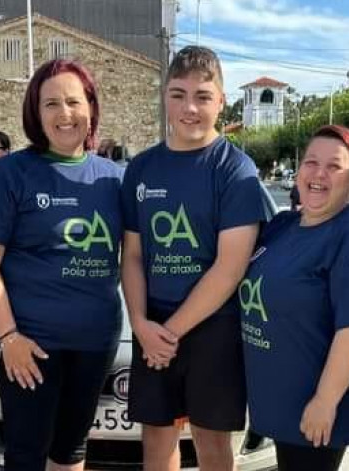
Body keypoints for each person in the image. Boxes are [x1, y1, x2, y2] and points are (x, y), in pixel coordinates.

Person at [0, 59, 124, 471]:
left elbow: (141, 256)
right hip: (28, 342)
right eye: (50, 103)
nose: (64, 113)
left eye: (73, 101)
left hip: (95, 340)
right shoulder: (11, 173)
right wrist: (9, 337)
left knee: (71, 449)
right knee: (27, 451)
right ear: (35, 113)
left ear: (90, 107)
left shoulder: (113, 178)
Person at [120, 45, 267, 471]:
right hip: (153, 323)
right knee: (157, 441)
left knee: (212, 444)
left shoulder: (235, 169)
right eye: (178, 94)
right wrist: (141, 324)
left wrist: (166, 333)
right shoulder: (142, 169)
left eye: (203, 96)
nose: (190, 107)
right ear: (164, 96)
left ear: (221, 101)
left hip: (213, 326)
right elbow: (131, 255)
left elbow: (230, 266)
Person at [239, 125, 349, 471]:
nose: (319, 174)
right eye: (310, 162)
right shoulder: (282, 227)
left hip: (317, 406)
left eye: (334, 166)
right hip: (281, 399)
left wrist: (325, 400)